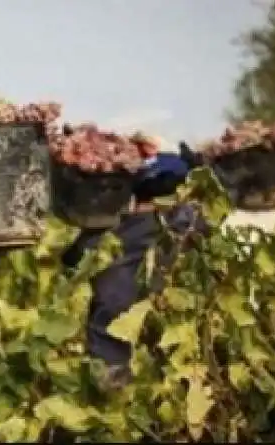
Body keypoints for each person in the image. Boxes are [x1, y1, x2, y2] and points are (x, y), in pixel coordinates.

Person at [61, 152, 207, 388]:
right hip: (180, 371)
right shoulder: (193, 230)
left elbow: (68, 261)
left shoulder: (102, 238)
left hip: (112, 365)